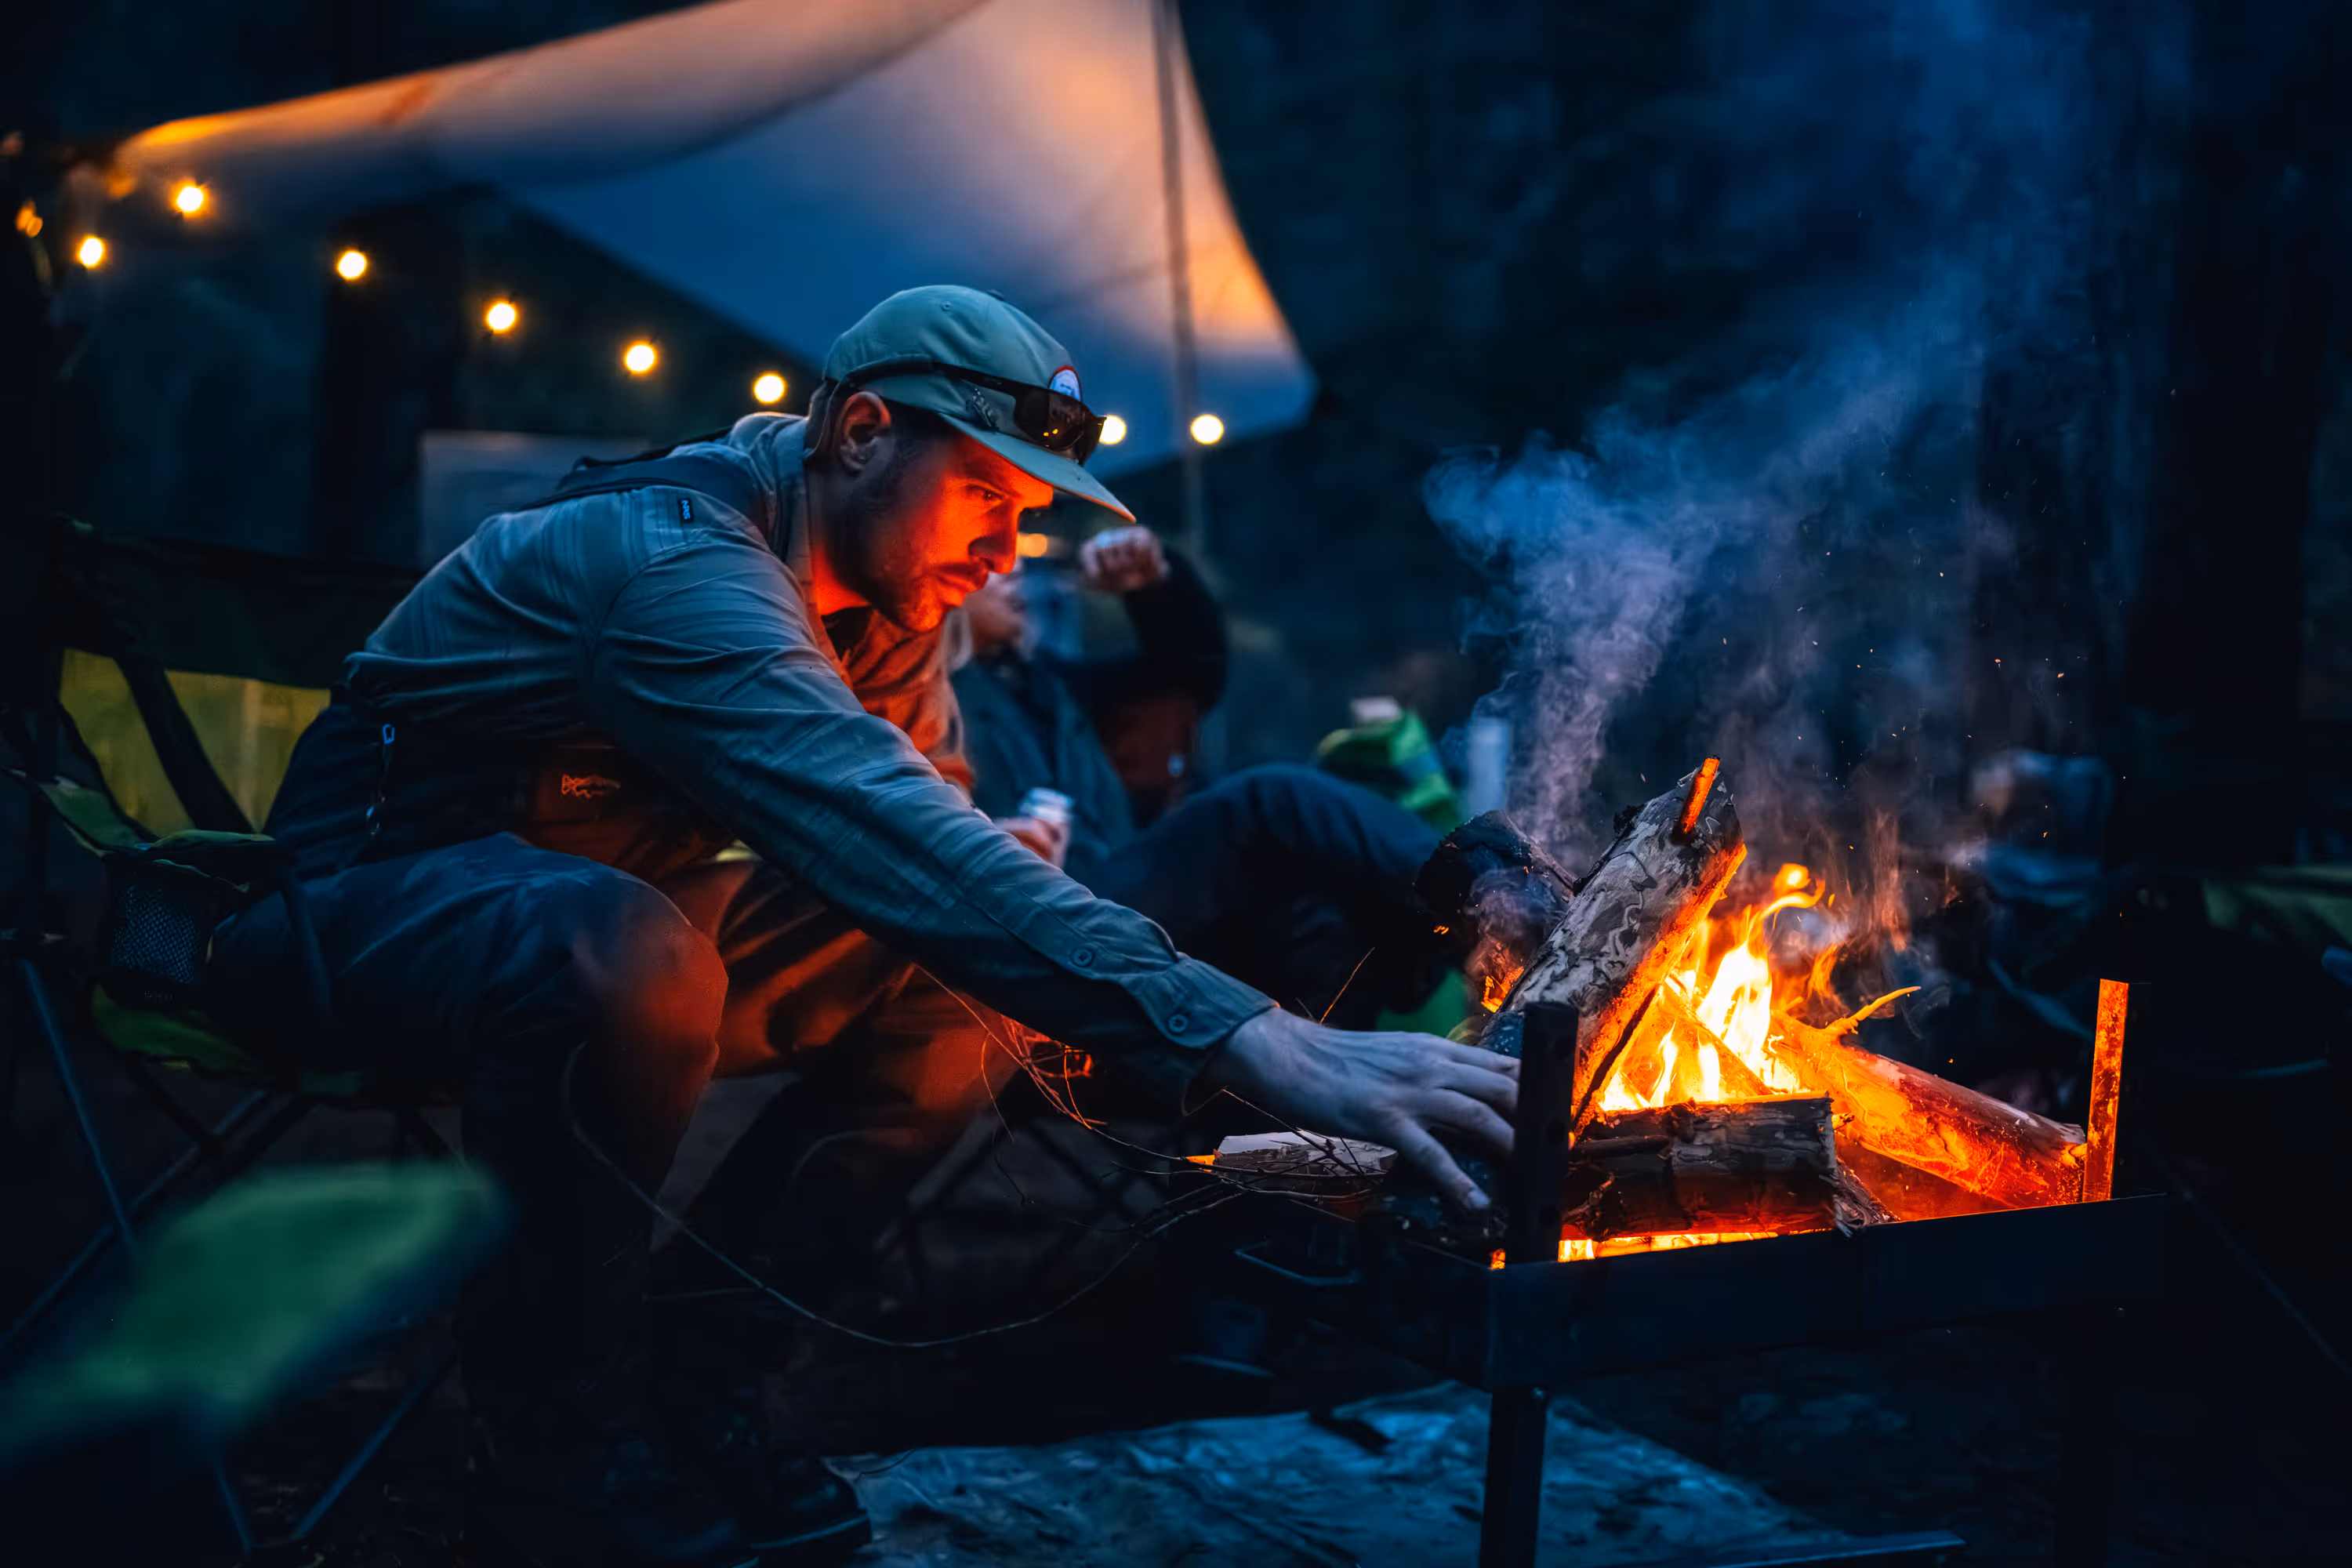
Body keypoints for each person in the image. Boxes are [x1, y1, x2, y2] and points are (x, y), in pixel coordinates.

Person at [205, 286, 1517, 1568]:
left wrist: (1027, 901)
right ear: (863, 430)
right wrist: (1250, 1033)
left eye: (1029, 514)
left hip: (593, 920)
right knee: (625, 949)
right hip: (352, 918)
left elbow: (927, 853)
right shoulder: (676, 563)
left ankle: (697, 1376)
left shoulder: (891, 599)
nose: (1010, 555)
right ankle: (554, 1443)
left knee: (942, 968)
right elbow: (874, 819)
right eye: (988, 500)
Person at [956, 539, 1456, 1026]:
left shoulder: (1045, 684)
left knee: (1317, 914)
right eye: (986, 552)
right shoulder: (933, 711)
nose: (1014, 565)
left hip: (1126, 892)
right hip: (1061, 914)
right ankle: (1489, 897)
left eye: (1018, 551)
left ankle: (1307, 1098)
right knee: (1269, 798)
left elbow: (1186, 674)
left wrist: (1154, 588)